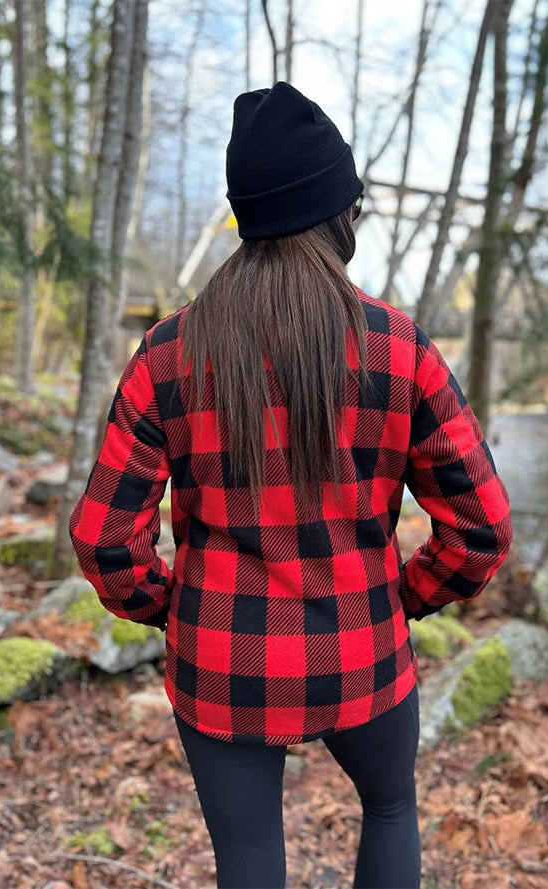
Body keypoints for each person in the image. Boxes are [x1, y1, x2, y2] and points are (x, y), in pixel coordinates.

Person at [70, 82, 512, 889]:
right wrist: (404, 598)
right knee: (389, 809)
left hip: (221, 662)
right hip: (363, 651)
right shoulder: (401, 349)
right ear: (337, 214)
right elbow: (482, 529)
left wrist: (170, 606)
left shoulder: (167, 354)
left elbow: (102, 537)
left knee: (247, 859)